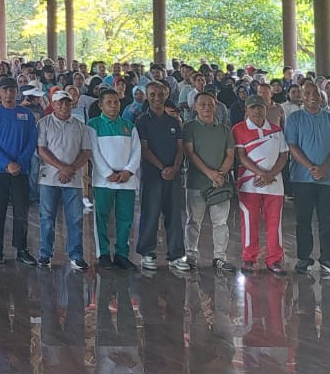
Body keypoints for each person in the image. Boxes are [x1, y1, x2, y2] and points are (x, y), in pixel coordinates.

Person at [285, 81, 330, 278]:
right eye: (307, 93)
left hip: (329, 178)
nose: (312, 97)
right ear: (301, 97)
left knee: (327, 220)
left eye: (316, 94)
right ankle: (304, 258)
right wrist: (311, 167)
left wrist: (325, 167)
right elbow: (292, 146)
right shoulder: (294, 118)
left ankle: (328, 259)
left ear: (321, 97)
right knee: (303, 220)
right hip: (302, 178)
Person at [0, 76, 37, 266]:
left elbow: (32, 140)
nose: (9, 93)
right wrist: (7, 163)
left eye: (12, 90)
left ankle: (21, 248)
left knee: (21, 210)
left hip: (21, 170)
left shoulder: (27, 114)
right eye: (4, 90)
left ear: (17, 92)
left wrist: (19, 163)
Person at [178, 92, 236, 273]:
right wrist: (210, 174)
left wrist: (220, 175)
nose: (206, 107)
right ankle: (190, 256)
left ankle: (220, 257)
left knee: (221, 222)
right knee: (193, 221)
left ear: (216, 106)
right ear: (195, 107)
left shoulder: (225, 129)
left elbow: (230, 155)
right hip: (196, 182)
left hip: (220, 184)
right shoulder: (189, 127)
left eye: (210, 104)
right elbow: (190, 153)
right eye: (202, 104)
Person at [133, 82, 185, 272]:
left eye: (161, 94)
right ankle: (147, 253)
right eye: (153, 94)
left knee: (174, 215)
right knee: (151, 213)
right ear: (147, 96)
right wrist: (163, 168)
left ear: (166, 95)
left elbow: (180, 147)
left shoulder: (174, 121)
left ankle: (176, 255)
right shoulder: (142, 121)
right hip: (152, 175)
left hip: (173, 176)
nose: (157, 98)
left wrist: (175, 168)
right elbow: (144, 149)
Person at [86, 90, 140, 270]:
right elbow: (94, 152)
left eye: (116, 102)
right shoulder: (93, 125)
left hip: (126, 180)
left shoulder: (129, 125)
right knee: (101, 217)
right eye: (108, 102)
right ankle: (103, 253)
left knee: (125, 218)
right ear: (100, 105)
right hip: (104, 181)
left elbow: (137, 151)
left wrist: (128, 171)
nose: (113, 105)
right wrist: (107, 173)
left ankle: (122, 254)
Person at [233, 95, 287, 274]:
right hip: (249, 183)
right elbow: (241, 156)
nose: (257, 111)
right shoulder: (239, 129)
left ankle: (275, 260)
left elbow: (283, 155)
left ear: (266, 109)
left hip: (274, 183)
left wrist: (271, 174)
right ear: (246, 110)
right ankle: (249, 258)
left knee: (274, 222)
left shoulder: (276, 129)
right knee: (250, 221)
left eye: (260, 107)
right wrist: (261, 173)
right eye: (253, 108)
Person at [35, 91, 88, 270]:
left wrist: (70, 169)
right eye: (60, 103)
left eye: (67, 102)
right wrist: (62, 168)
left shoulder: (80, 125)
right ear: (53, 104)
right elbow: (41, 150)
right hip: (49, 178)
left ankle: (76, 255)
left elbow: (86, 152)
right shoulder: (44, 123)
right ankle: (45, 254)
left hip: (73, 179)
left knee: (75, 218)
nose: (64, 106)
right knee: (47, 217)